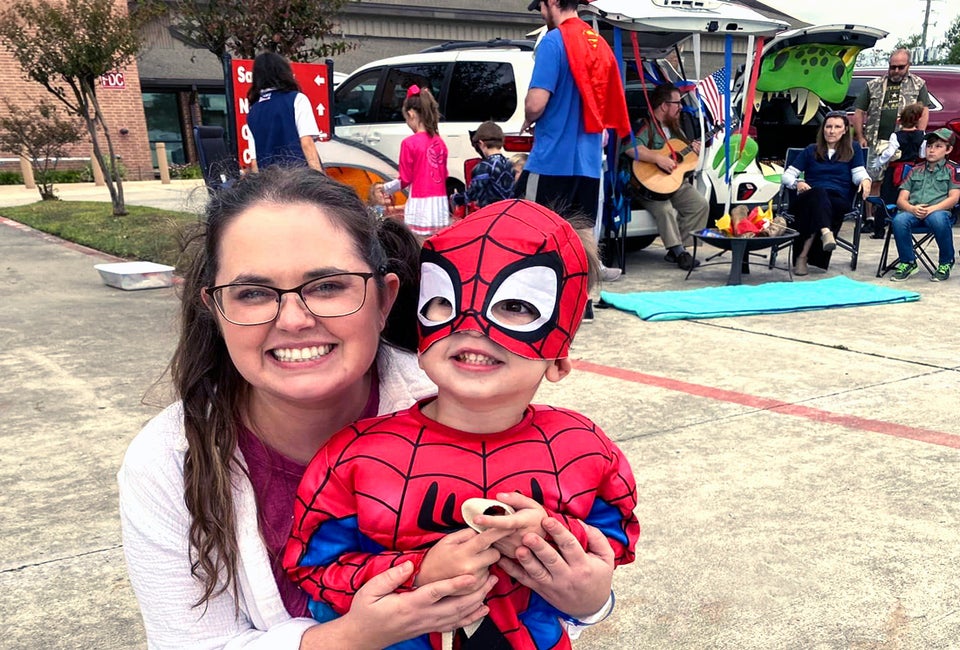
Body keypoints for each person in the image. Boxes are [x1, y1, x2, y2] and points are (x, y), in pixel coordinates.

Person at [118, 168, 614, 648]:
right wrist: (352, 638)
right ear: (215, 308)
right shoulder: (168, 460)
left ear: (384, 300)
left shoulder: (460, 395)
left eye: (328, 286)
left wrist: (590, 600)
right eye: (252, 293)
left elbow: (540, 600)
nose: (293, 319)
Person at [284, 199, 639, 650]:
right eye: (443, 301)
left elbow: (611, 546)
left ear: (560, 358)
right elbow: (313, 568)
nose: (472, 326)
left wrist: (566, 560)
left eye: (516, 306)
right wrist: (419, 572)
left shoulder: (586, 449)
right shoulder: (353, 456)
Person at [517, 0, 631, 294]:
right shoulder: (599, 44)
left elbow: (536, 102)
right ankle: (583, 300)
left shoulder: (553, 41)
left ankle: (533, 299)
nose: (542, 14)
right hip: (589, 162)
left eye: (541, 7)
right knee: (582, 236)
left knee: (532, 231)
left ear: (552, 2)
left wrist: (529, 118)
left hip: (552, 158)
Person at [621, 83, 710, 271]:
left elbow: (683, 159)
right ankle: (679, 254)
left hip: (672, 183)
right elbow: (630, 148)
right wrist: (658, 159)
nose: (681, 107)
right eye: (677, 103)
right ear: (663, 105)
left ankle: (680, 249)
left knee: (700, 205)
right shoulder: (645, 125)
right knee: (665, 209)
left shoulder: (676, 128)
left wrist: (694, 150)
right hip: (646, 185)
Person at [780, 111, 871, 276]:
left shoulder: (853, 149)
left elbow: (859, 173)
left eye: (837, 127)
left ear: (844, 131)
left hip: (838, 200)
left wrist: (866, 180)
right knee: (818, 194)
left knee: (818, 204)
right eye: (828, 126)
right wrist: (797, 182)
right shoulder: (811, 150)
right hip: (810, 196)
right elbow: (787, 176)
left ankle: (802, 257)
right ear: (823, 129)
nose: (832, 131)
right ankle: (825, 233)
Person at [852, 49, 929, 219]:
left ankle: (897, 215)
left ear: (909, 65)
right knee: (873, 180)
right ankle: (871, 217)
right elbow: (858, 111)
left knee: (902, 180)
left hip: (904, 141)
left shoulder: (918, 84)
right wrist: (860, 136)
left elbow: (924, 111)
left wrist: (920, 135)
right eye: (892, 67)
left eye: (900, 67)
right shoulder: (874, 84)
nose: (895, 71)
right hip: (876, 140)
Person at [889, 128, 960, 282]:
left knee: (938, 219)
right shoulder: (915, 170)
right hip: (914, 210)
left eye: (938, 146)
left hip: (939, 211)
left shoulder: (953, 170)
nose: (932, 150)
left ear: (949, 150)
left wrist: (932, 209)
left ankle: (946, 262)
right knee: (899, 220)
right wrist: (912, 208)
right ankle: (908, 262)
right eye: (929, 146)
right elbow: (901, 200)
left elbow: (954, 198)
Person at [380, 86, 450, 239]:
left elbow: (405, 179)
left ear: (411, 114)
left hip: (420, 206)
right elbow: (444, 175)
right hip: (440, 206)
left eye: (406, 119)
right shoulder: (440, 142)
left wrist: (386, 188)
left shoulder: (409, 143)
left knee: (418, 245)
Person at [246, 52, 324, 172]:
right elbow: (307, 143)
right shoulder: (297, 99)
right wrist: (320, 179)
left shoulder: (253, 110)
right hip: (298, 178)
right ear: (284, 72)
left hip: (270, 182)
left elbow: (254, 160)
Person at [870, 102, 927, 238]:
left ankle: (879, 231)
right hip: (912, 171)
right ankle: (900, 228)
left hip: (895, 171)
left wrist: (878, 162)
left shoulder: (896, 135)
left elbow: (889, 153)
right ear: (918, 119)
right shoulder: (921, 134)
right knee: (907, 199)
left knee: (885, 199)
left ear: (900, 120)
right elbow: (922, 154)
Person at [451, 121, 516, 209]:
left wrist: (455, 198)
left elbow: (473, 194)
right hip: (509, 211)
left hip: (490, 213)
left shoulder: (483, 167)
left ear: (481, 143)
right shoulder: (511, 164)